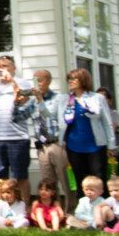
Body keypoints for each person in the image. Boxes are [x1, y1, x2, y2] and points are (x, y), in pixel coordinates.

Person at [0, 56, 37, 202]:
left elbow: (25, 100)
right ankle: (2, 209)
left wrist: (11, 81)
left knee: (21, 176)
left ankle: (25, 208)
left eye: (5, 65)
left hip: (18, 137)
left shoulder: (23, 84)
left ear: (14, 68)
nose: (1, 69)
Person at [51, 68, 115, 199]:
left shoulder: (98, 98)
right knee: (80, 180)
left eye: (74, 78)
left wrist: (111, 145)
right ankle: (83, 212)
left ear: (83, 80)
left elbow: (107, 122)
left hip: (95, 145)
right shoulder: (64, 99)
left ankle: (103, 211)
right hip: (73, 146)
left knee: (98, 179)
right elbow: (49, 114)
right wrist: (40, 100)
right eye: (69, 79)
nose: (71, 81)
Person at [30, 69, 69, 206]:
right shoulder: (32, 101)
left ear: (49, 81)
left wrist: (40, 100)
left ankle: (70, 211)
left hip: (56, 143)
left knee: (65, 180)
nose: (37, 83)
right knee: (48, 183)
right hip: (41, 146)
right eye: (35, 80)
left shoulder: (59, 98)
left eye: (40, 80)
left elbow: (49, 115)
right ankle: (53, 212)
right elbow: (18, 117)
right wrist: (17, 101)